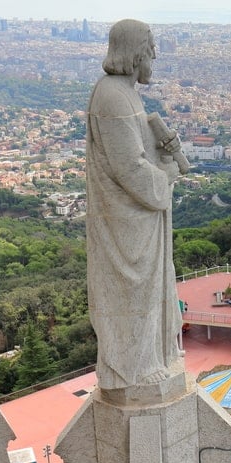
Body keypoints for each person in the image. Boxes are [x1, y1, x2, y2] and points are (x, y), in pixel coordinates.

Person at [86, 19, 184, 389]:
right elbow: (128, 167)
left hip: (138, 220)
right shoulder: (112, 96)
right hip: (127, 223)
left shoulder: (124, 92)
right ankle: (133, 369)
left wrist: (160, 152)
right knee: (133, 292)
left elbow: (135, 153)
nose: (155, 55)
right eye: (151, 48)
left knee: (146, 290)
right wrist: (167, 175)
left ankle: (150, 359)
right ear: (135, 53)